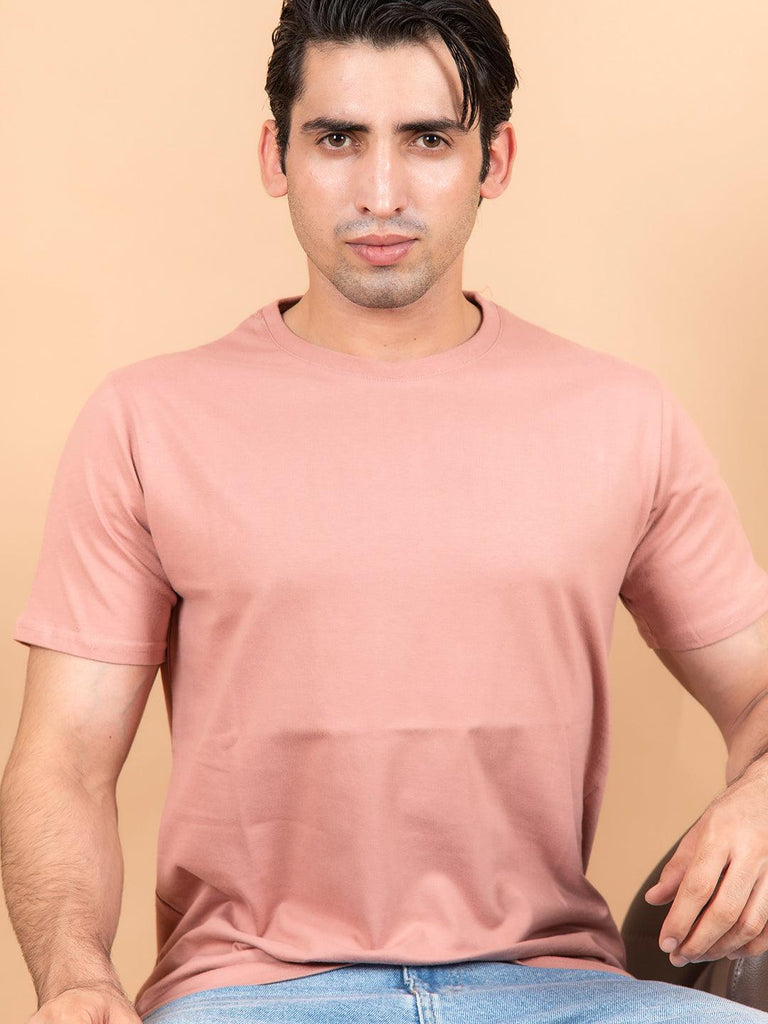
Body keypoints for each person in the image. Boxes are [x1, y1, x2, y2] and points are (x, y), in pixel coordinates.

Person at [3, 0, 768, 1022]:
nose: (380, 192)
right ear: (276, 156)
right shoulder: (146, 419)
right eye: (337, 139)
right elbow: (64, 759)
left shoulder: (626, 417)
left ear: (494, 160)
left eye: (427, 140)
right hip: (254, 995)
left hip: (558, 991)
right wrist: (76, 978)